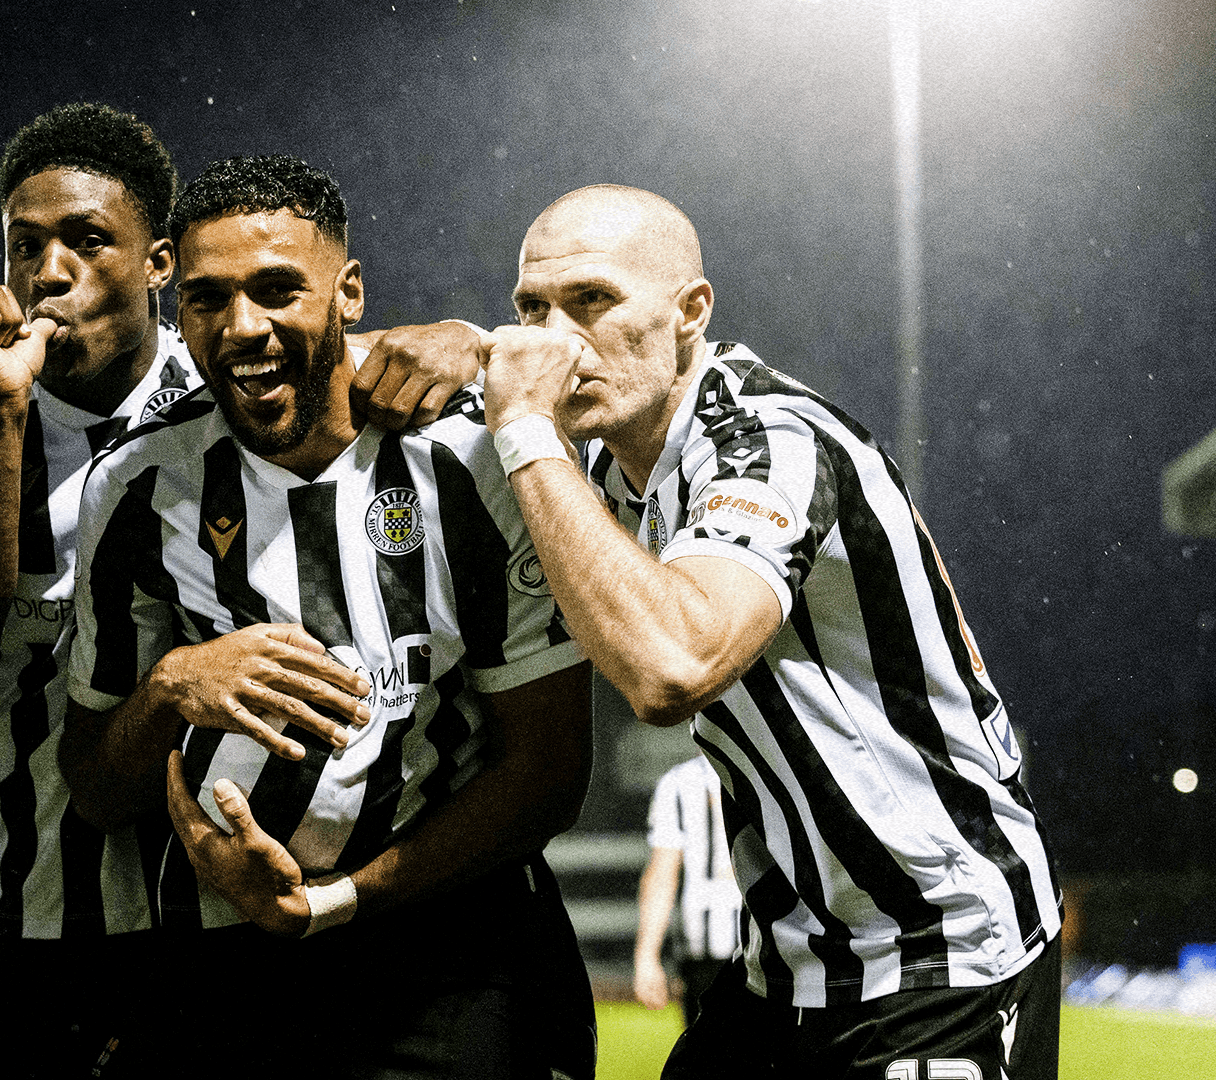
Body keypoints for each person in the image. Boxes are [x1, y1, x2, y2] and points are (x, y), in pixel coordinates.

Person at [0, 104, 489, 1078]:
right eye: (24, 246)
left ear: (159, 265)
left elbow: (342, 351)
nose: (49, 274)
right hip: (9, 910)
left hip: (199, 922)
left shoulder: (233, 394)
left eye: (87, 241)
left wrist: (475, 340)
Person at [481, 184, 1061, 1078]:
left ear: (690, 312)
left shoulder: (771, 441)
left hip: (938, 949)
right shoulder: (602, 454)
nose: (553, 342)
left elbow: (673, 668)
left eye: (592, 300)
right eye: (531, 309)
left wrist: (523, 427)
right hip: (783, 961)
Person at [58, 154, 597, 1079]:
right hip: (224, 954)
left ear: (348, 293)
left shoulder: (473, 459)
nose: (243, 327)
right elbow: (98, 789)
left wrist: (337, 900)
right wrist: (171, 687)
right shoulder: (140, 485)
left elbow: (547, 772)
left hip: (453, 947)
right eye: (208, 299)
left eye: (277, 289)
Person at [634, 754, 741, 1028]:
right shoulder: (681, 781)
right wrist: (646, 956)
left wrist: (646, 957)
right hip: (740, 949)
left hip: (713, 952)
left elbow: (662, 874)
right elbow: (662, 875)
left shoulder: (681, 780)